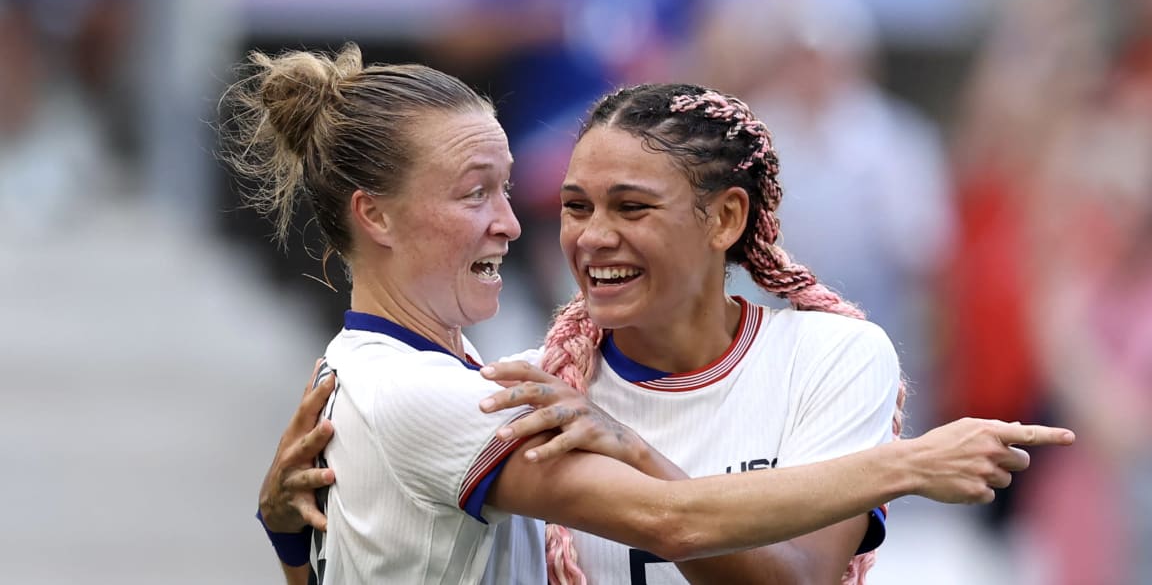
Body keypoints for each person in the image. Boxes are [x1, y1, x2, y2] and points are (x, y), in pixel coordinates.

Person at [233, 45, 1074, 585]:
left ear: (726, 219)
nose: (557, 230)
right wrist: (910, 463)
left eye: (631, 206)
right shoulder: (506, 394)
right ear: (373, 215)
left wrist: (288, 542)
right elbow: (669, 519)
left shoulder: (831, 354)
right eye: (573, 203)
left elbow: (803, 580)